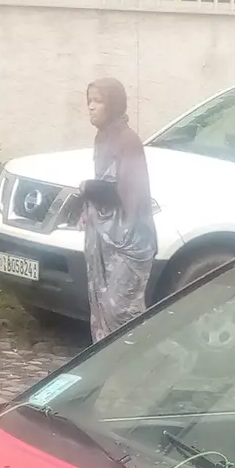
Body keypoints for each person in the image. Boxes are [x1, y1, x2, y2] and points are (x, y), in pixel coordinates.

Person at [81, 77, 157, 342]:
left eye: (98, 101)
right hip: (102, 236)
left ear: (113, 105)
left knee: (121, 310)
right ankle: (107, 367)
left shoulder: (128, 140)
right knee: (101, 308)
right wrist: (87, 207)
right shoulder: (102, 138)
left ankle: (144, 363)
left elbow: (130, 195)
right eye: (89, 100)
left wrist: (89, 188)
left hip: (129, 239)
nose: (91, 107)